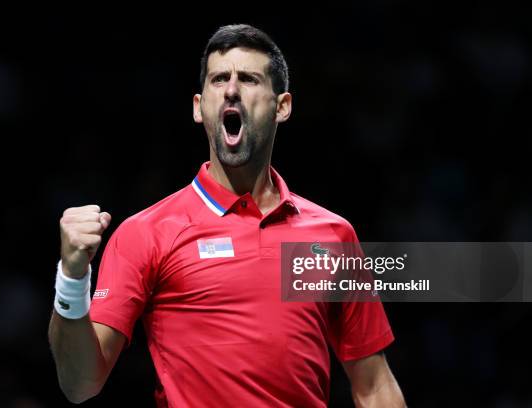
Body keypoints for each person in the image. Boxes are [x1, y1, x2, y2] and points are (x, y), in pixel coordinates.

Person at [48, 24, 405, 407]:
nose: (232, 89)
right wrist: (72, 276)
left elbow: (375, 387)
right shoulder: (146, 233)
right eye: (219, 79)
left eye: (248, 79)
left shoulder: (333, 235)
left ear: (281, 106)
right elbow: (79, 383)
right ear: (199, 108)